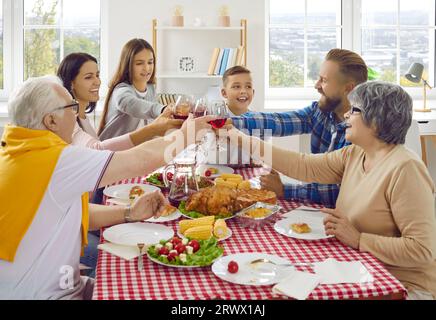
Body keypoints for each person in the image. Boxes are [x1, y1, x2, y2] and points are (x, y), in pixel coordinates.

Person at [0, 75, 214, 299]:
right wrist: (187, 135)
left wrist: (129, 213)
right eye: (71, 107)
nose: (76, 113)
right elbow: (140, 160)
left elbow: (68, 213)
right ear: (51, 121)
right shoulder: (54, 159)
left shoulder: (17, 153)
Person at [227, 81, 436, 299]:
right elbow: (302, 165)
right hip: (360, 271)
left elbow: (422, 250)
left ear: (375, 120)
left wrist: (359, 240)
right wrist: (238, 138)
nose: (346, 115)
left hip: (400, 285)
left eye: (354, 110)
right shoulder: (355, 154)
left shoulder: (405, 168)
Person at [229, 48, 368, 207]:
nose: (317, 85)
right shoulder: (320, 112)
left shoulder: (361, 133)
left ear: (348, 89)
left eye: (324, 80)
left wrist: (284, 190)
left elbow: (337, 194)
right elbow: (277, 122)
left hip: (342, 218)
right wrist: (225, 121)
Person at [57, 52, 183, 151]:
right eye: (89, 77)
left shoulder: (84, 118)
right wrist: (156, 122)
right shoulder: (68, 121)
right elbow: (98, 151)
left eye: (97, 75)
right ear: (71, 83)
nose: (97, 81)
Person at [98, 38, 165, 141]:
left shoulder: (150, 88)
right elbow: (132, 105)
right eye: (139, 63)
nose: (146, 68)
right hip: (112, 153)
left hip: (135, 151)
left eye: (150, 62)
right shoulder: (121, 90)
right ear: (128, 65)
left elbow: (151, 126)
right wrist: (162, 109)